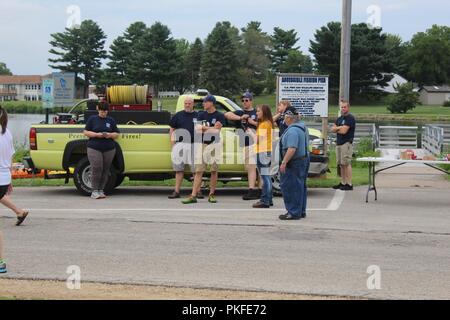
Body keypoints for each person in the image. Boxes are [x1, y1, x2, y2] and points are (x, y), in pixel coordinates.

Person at [0, 105, 30, 273]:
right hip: (3, 178)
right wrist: (9, 178)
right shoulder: (7, 132)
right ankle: (0, 262)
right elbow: (10, 158)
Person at [182, 94, 225, 204]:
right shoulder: (201, 115)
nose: (203, 103)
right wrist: (211, 127)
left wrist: (205, 128)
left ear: (211, 103)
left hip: (215, 144)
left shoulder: (220, 115)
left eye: (205, 102)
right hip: (203, 144)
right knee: (199, 170)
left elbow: (216, 132)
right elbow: (197, 130)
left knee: (214, 170)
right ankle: (193, 195)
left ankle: (211, 194)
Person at [224, 92, 260, 200]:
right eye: (243, 100)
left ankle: (253, 190)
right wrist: (240, 118)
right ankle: (258, 191)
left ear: (251, 101)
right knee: (252, 168)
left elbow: (265, 123)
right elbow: (226, 114)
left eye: (247, 100)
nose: (244, 102)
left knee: (253, 168)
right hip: (246, 144)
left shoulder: (256, 112)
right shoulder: (240, 112)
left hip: (255, 143)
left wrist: (251, 121)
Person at [83, 101, 120, 199]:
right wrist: (96, 135)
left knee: (105, 169)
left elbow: (117, 134)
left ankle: (101, 190)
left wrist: (109, 135)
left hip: (109, 148)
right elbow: (85, 132)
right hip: (94, 147)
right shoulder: (92, 119)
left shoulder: (111, 120)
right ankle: (94, 191)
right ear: (98, 109)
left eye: (105, 111)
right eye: (102, 111)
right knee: (97, 168)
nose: (103, 113)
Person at [278, 107, 310, 220]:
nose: (284, 120)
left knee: (291, 187)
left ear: (289, 118)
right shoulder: (303, 127)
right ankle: (301, 210)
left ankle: (293, 212)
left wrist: (284, 162)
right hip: (303, 160)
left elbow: (292, 148)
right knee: (300, 186)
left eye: (285, 118)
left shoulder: (292, 131)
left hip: (294, 162)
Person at [168, 96, 200, 199]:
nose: (187, 105)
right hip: (180, 145)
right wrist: (173, 145)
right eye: (185, 103)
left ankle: (197, 192)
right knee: (178, 170)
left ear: (193, 104)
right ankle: (176, 191)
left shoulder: (198, 115)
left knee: (195, 171)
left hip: (194, 145)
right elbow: (172, 129)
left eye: (189, 103)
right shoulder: (178, 115)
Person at [251, 105, 274, 209]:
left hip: (262, 152)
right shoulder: (268, 123)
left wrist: (250, 134)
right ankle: (269, 199)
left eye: (258, 111)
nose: (256, 113)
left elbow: (258, 140)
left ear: (264, 112)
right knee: (266, 176)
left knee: (265, 177)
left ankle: (265, 200)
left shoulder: (264, 124)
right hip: (266, 151)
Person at [331, 101, 356, 191]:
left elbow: (344, 131)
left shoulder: (350, 118)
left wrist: (338, 128)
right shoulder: (339, 118)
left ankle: (349, 184)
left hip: (346, 143)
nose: (343, 109)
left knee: (346, 163)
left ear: (348, 108)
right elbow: (332, 129)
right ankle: (343, 182)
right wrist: (339, 128)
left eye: (345, 107)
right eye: (342, 107)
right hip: (339, 143)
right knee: (341, 164)